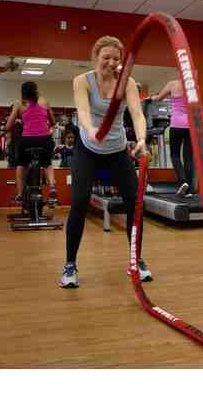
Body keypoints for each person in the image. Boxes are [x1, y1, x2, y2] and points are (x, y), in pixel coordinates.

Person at [59, 35, 150, 288]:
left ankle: (136, 260)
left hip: (117, 150)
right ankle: (69, 265)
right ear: (95, 58)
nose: (110, 62)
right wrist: (90, 130)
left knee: (135, 203)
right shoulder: (82, 81)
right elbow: (83, 111)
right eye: (106, 57)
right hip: (88, 149)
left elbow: (137, 114)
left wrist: (141, 139)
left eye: (115, 58)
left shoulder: (127, 82)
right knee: (79, 202)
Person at [5, 81, 57, 204]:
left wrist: (19, 119)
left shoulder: (19, 104)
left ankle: (19, 194)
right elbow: (53, 121)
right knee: (47, 162)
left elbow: (8, 127)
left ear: (23, 93)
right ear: (36, 91)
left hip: (27, 140)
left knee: (21, 164)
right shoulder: (44, 101)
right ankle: (52, 186)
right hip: (45, 139)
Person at [152, 79, 194, 196]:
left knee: (174, 155)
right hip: (190, 125)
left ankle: (182, 181)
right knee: (188, 157)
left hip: (176, 125)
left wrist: (152, 97)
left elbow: (158, 98)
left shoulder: (172, 84)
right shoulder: (193, 85)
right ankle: (189, 190)